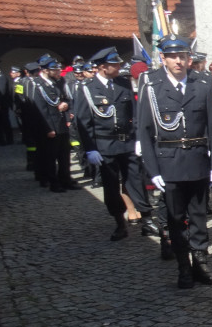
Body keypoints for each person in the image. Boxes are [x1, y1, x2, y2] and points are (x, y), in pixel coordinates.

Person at [137, 35, 212, 289]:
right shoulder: (152, 87)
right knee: (175, 218)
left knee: (198, 217)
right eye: (172, 56)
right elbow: (145, 130)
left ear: (188, 58)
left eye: (182, 56)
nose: (178, 61)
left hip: (197, 160)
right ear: (163, 58)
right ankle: (184, 266)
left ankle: (201, 264)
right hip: (169, 163)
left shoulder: (202, 84)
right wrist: (152, 170)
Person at [74, 46, 155, 241]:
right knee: (111, 187)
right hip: (104, 146)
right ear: (102, 67)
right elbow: (82, 121)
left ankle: (147, 220)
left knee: (136, 181)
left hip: (127, 143)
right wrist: (90, 149)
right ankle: (119, 222)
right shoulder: (87, 88)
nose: (119, 67)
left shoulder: (123, 83)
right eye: (114, 64)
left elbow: (134, 113)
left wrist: (138, 140)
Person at [31, 55, 78, 192]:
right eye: (54, 70)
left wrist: (66, 106)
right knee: (51, 157)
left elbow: (66, 98)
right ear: (45, 70)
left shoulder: (58, 81)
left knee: (64, 156)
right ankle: (54, 183)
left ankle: (66, 180)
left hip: (62, 124)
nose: (58, 72)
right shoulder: (38, 85)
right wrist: (48, 128)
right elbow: (40, 110)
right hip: (50, 127)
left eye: (58, 69)